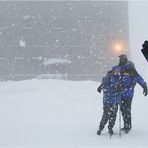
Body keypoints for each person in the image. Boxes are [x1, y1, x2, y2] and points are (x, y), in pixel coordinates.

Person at [112, 54, 148, 133]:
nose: (121, 60)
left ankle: (128, 126)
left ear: (126, 59)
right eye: (120, 59)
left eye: (123, 58)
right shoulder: (117, 68)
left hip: (128, 93)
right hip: (120, 94)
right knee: (122, 109)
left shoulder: (130, 69)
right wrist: (115, 86)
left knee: (127, 110)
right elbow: (113, 78)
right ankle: (126, 125)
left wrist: (144, 86)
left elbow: (139, 78)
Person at [119, 67, 147, 133]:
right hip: (124, 95)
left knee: (126, 110)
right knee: (124, 110)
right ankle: (127, 125)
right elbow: (141, 81)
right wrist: (145, 87)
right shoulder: (125, 73)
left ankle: (127, 125)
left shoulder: (133, 74)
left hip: (127, 95)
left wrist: (145, 87)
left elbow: (141, 80)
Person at [97, 68, 121, 136]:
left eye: (118, 72)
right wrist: (114, 88)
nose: (117, 73)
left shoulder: (119, 79)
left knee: (113, 115)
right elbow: (106, 89)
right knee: (106, 115)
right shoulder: (106, 78)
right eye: (116, 72)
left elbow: (120, 89)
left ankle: (110, 128)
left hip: (115, 101)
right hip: (107, 101)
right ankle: (101, 128)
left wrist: (119, 89)